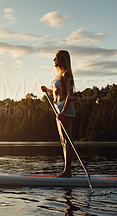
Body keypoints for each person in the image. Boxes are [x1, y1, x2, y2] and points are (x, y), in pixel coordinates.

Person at [41, 50, 76, 178]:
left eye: (56, 59)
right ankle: (66, 171)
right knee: (63, 141)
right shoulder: (58, 75)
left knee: (67, 141)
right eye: (54, 59)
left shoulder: (67, 74)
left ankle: (67, 172)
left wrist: (63, 111)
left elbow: (70, 95)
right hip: (58, 108)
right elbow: (56, 92)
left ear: (63, 60)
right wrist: (47, 90)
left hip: (64, 108)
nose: (54, 61)